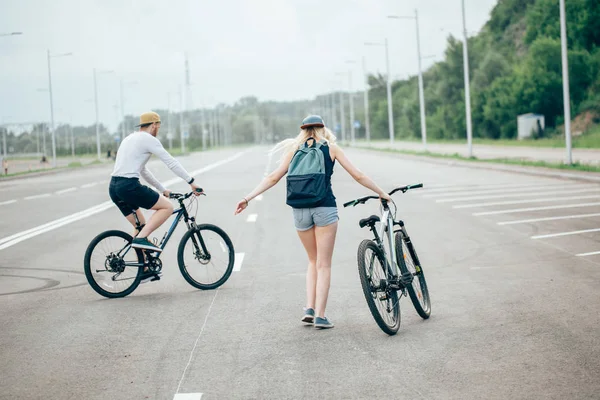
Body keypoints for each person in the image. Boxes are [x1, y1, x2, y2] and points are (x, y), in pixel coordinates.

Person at [234, 115, 391, 329]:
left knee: (312, 261)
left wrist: (247, 198)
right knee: (323, 264)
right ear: (322, 129)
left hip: (300, 209)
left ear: (303, 131)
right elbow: (358, 175)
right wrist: (381, 192)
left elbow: (272, 178)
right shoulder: (331, 148)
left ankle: (308, 308)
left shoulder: (294, 151)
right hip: (324, 206)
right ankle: (321, 315)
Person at [109, 111, 202, 258]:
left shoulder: (129, 138)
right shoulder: (148, 139)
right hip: (128, 186)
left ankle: (144, 267)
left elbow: (143, 171)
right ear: (154, 125)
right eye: (158, 126)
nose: (158, 129)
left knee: (140, 225)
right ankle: (141, 238)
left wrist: (162, 189)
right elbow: (171, 162)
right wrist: (191, 181)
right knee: (167, 207)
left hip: (114, 188)